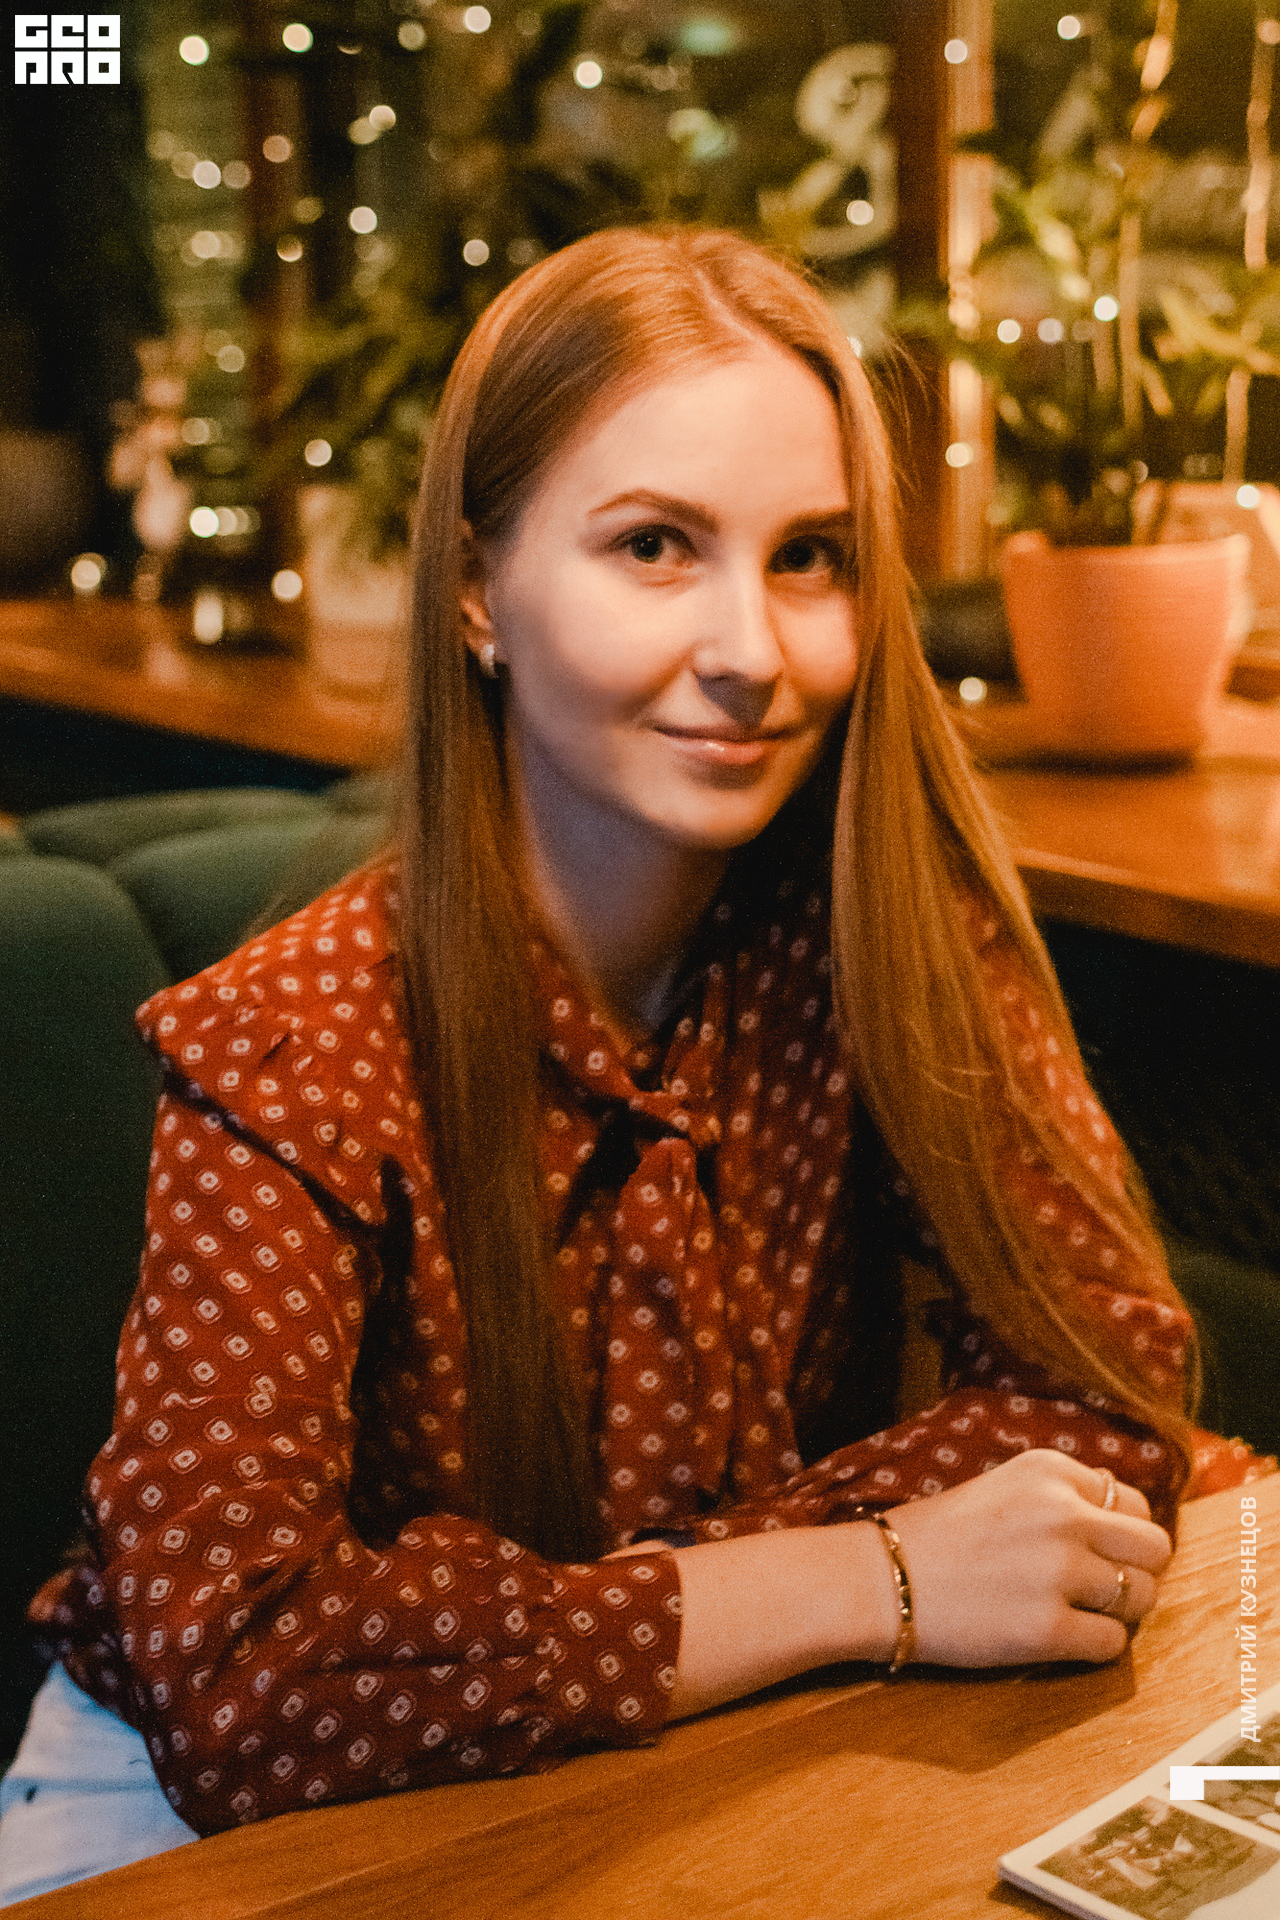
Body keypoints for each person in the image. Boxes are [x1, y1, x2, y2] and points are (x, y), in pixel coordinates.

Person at [0, 226, 1266, 1903]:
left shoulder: (890, 923)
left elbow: (1101, 1389)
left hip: (693, 1737)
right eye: (656, 546)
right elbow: (238, 1678)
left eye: (809, 557)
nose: (752, 647)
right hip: (179, 1821)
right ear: (476, 590)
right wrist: (874, 1575)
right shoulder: (298, 1038)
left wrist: (695, 1613)